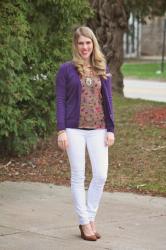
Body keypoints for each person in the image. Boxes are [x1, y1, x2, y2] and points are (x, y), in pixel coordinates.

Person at [55, 26, 115, 241]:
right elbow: (60, 100)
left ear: (93, 44)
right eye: (81, 43)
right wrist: (61, 130)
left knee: (100, 175)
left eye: (88, 43)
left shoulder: (101, 66)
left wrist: (111, 128)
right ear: (75, 45)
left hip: (98, 129)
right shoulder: (66, 69)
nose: (84, 47)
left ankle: (89, 216)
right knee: (78, 176)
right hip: (74, 130)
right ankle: (84, 222)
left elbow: (107, 100)